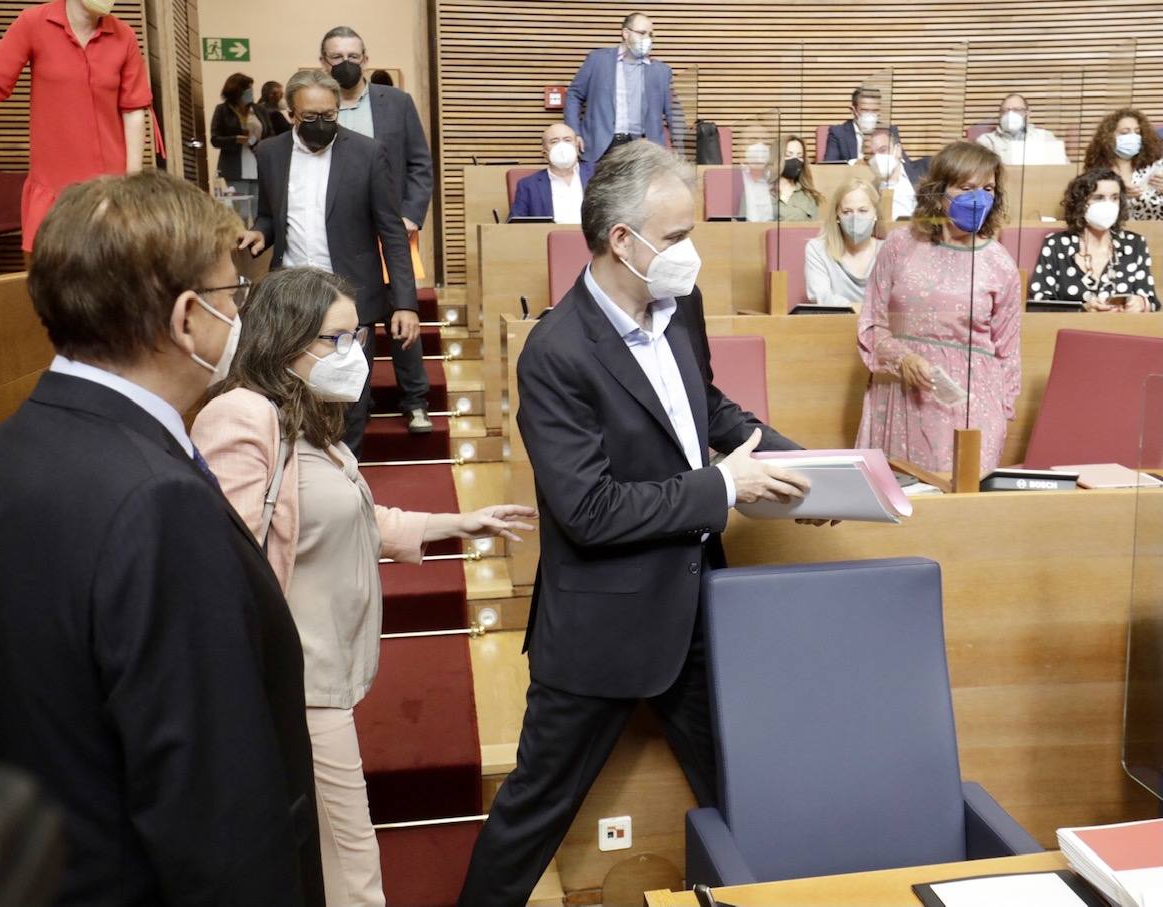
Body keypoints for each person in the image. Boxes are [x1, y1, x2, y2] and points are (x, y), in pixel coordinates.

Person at [457, 140, 825, 907]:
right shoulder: (555, 353)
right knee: (535, 808)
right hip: (602, 625)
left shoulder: (679, 303)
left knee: (741, 791)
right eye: (679, 235)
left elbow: (708, 408)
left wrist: (814, 470)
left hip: (696, 606)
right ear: (623, 240)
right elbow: (588, 511)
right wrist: (722, 485)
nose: (692, 251)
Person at [0, 171, 325, 906]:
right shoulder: (157, 501)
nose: (239, 315)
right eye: (233, 296)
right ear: (187, 319)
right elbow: (213, 810)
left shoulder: (7, 449)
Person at [193, 266, 535, 907]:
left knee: (333, 854)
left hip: (326, 674)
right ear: (285, 337)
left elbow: (355, 517)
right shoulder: (242, 417)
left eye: (358, 337)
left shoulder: (309, 423)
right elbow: (224, 565)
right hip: (293, 684)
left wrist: (457, 521)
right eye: (336, 339)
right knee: (352, 865)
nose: (353, 355)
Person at [239, 68, 420, 453]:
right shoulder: (270, 153)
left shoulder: (368, 153)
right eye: (310, 118)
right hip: (289, 298)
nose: (321, 124)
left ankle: (344, 475)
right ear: (291, 114)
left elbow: (391, 231)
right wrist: (259, 232)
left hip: (350, 300)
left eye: (329, 116)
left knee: (349, 400)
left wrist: (404, 303)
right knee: (288, 396)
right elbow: (272, 215)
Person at [0, 0, 164, 252]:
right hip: (53, 185)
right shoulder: (34, 23)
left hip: (110, 187)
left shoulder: (125, 37)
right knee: (52, 276)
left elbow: (133, 109)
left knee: (113, 274)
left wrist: (132, 183)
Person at [856, 141, 1021, 474]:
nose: (979, 198)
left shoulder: (1000, 264)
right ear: (940, 191)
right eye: (967, 187)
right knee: (893, 507)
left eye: (988, 189)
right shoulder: (900, 245)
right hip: (899, 396)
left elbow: (1009, 354)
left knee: (955, 512)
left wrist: (999, 415)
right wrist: (902, 358)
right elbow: (873, 323)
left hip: (970, 404)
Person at [320, 26, 435, 434]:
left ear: (366, 58)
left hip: (395, 228)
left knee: (402, 311)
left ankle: (415, 399)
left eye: (353, 55)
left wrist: (410, 215)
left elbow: (421, 165)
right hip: (345, 232)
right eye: (336, 57)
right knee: (353, 318)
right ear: (324, 63)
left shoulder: (397, 103)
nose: (345, 63)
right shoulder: (320, 106)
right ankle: (356, 403)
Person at [1029, 168, 1159, 312]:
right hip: (1072, 331)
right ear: (1081, 203)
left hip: (1122, 330)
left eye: (1114, 198)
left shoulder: (1134, 244)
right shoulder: (1056, 244)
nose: (1108, 204)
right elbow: (1038, 304)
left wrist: (1141, 303)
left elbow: (1153, 302)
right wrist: (1082, 309)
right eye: (1099, 198)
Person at [563, 11, 684, 162]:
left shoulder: (661, 71)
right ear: (626, 33)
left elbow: (675, 113)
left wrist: (680, 150)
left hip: (644, 148)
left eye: (650, 35)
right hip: (601, 146)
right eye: (642, 33)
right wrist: (574, 133)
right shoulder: (597, 60)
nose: (647, 39)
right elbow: (574, 95)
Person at [805, 178, 884, 310]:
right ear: (837, 216)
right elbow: (821, 297)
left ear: (875, 213)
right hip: (835, 326)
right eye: (847, 212)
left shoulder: (890, 250)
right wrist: (867, 310)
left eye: (863, 211)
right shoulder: (817, 249)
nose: (855, 217)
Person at [1084, 108, 1163, 221]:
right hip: (1115, 233)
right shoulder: (1097, 171)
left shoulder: (1157, 166)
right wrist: (1117, 196)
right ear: (1109, 137)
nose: (1133, 137)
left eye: (1137, 132)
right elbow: (1085, 210)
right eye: (1125, 132)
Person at [508, 123, 596, 223]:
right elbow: (515, 226)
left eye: (567, 140)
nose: (562, 146)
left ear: (577, 146)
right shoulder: (528, 186)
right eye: (554, 142)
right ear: (545, 153)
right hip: (546, 237)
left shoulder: (598, 174)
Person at [211, 72, 267, 197]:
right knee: (241, 210)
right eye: (248, 89)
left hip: (258, 163)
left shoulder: (259, 110)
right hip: (234, 167)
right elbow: (215, 139)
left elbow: (270, 133)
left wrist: (259, 143)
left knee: (258, 208)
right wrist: (235, 139)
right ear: (237, 91)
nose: (251, 92)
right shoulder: (222, 110)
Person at [975, 93, 1068, 165]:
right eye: (1006, 111)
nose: (1011, 115)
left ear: (1027, 114)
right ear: (1000, 115)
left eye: (1017, 110)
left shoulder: (1045, 137)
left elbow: (1062, 168)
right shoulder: (987, 141)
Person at [824, 86, 900, 162]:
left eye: (875, 111)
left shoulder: (889, 130)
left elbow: (906, 166)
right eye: (865, 110)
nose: (870, 115)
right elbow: (829, 166)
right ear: (853, 110)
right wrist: (857, 164)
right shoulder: (838, 133)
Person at [867, 127, 929, 220]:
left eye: (883, 150)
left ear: (898, 150)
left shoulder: (925, 168)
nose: (877, 157)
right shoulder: (869, 189)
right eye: (872, 154)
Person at [773, 135, 823, 221]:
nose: (795, 160)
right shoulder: (758, 191)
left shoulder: (809, 195)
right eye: (788, 155)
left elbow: (816, 230)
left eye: (799, 156)